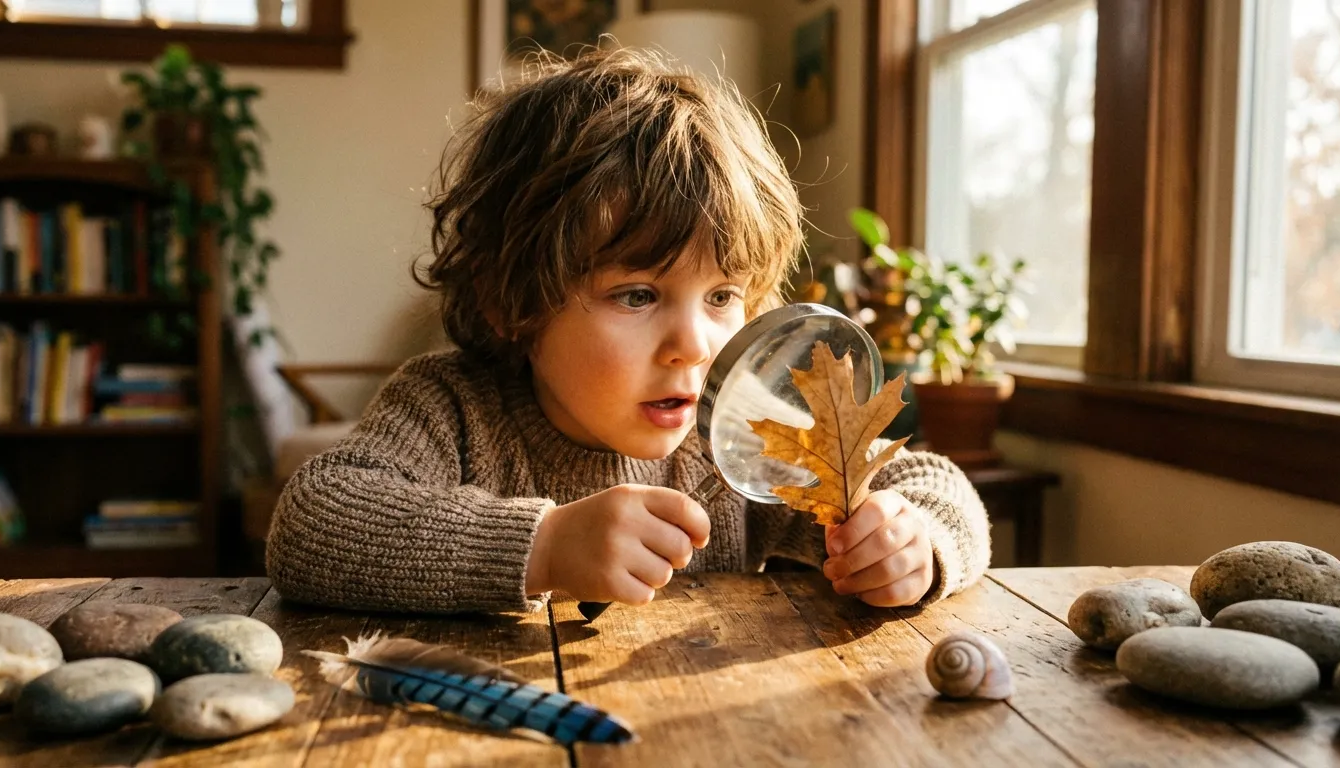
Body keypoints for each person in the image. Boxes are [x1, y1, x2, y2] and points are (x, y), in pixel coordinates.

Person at [266, 47, 990, 615]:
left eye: (722, 295)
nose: (695, 345)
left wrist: (912, 542)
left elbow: (932, 482)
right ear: (509, 301)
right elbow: (310, 523)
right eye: (638, 294)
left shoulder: (738, 437)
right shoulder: (449, 408)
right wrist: (542, 547)